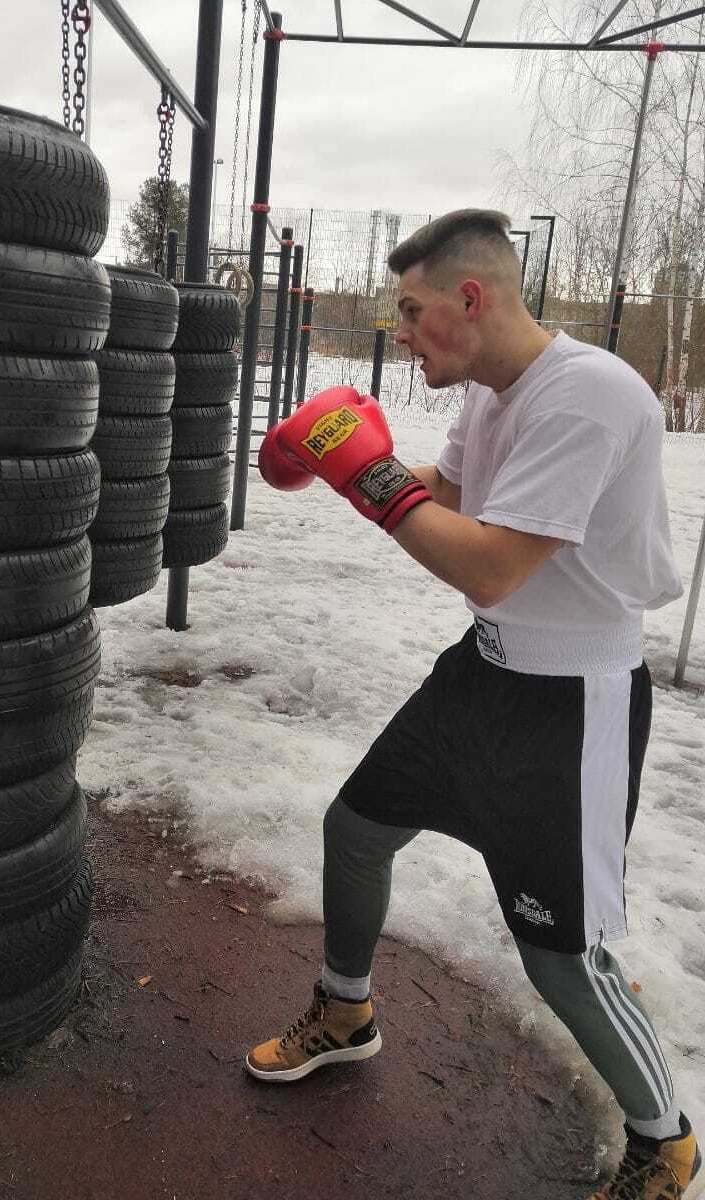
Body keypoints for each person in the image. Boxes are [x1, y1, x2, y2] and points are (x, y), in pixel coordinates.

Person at [250, 209, 700, 1200]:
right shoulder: (495, 392)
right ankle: (347, 1012)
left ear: (471, 298)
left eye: (411, 313)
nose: (400, 334)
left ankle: (665, 1136)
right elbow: (443, 495)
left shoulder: (590, 397)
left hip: (570, 704)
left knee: (560, 957)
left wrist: (363, 474)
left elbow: (492, 566)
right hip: (486, 673)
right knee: (357, 828)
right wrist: (332, 463)